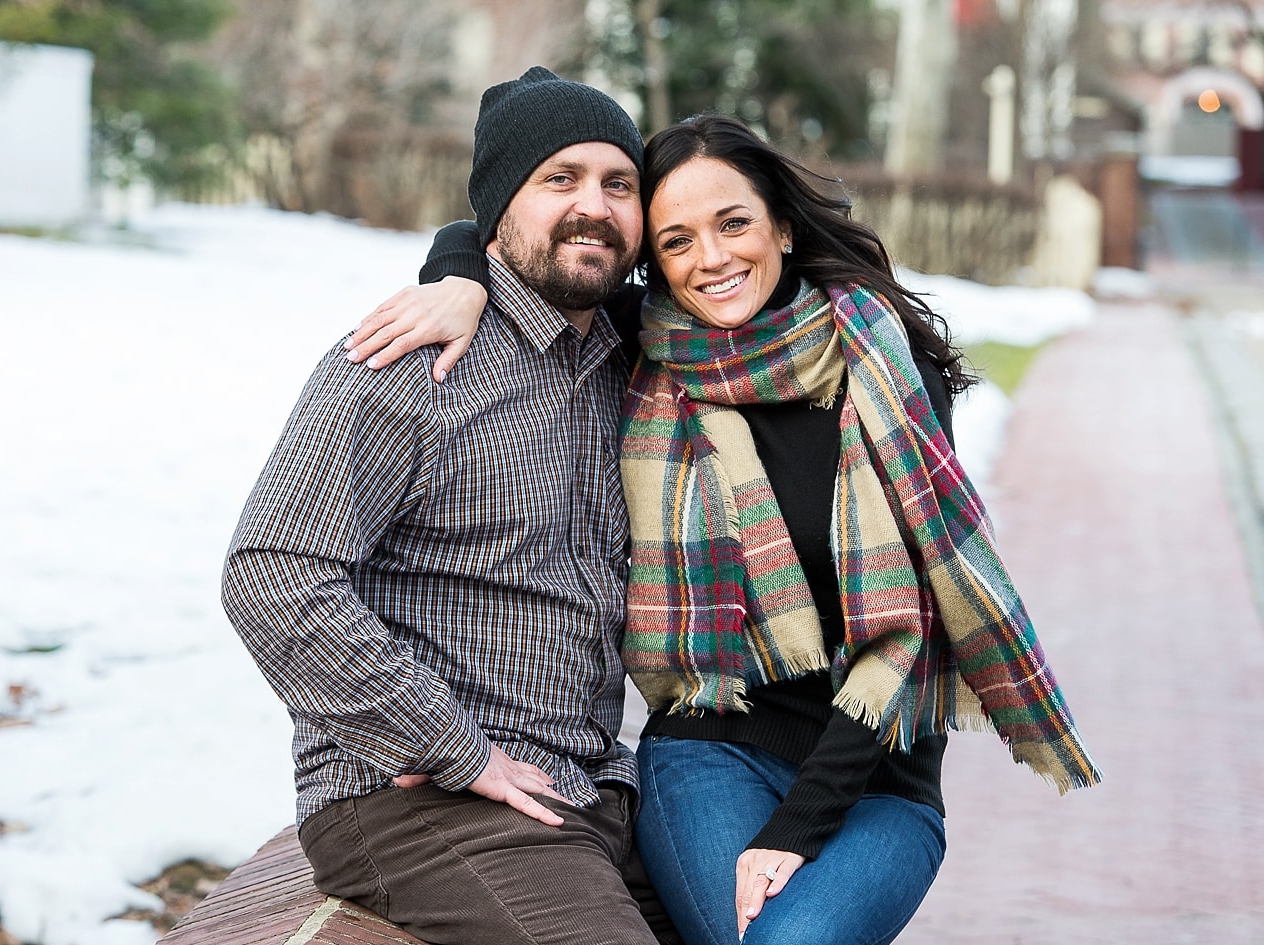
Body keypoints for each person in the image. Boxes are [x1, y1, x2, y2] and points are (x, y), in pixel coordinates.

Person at [349, 113, 1101, 945]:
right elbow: (532, 235)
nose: (712, 258)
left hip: (875, 779)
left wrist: (799, 826)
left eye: (733, 222)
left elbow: (915, 628)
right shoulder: (652, 346)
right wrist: (459, 273)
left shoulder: (888, 370)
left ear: (780, 223)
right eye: (676, 240)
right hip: (709, 750)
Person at [221, 66, 684, 945]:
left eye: (618, 184)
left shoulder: (633, 360)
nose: (595, 205)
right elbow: (272, 575)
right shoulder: (410, 363)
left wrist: (460, 261)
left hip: (587, 786)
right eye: (561, 179)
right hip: (416, 797)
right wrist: (448, 747)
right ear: (499, 205)